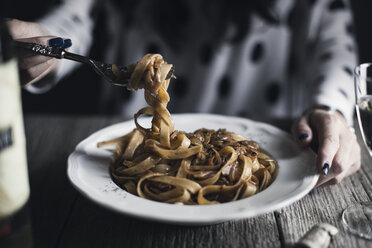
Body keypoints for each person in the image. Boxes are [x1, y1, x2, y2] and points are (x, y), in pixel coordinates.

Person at [7, 0, 361, 186]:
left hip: (260, 156)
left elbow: (336, 53)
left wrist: (330, 111)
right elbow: (73, 20)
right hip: (133, 156)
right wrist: (42, 44)